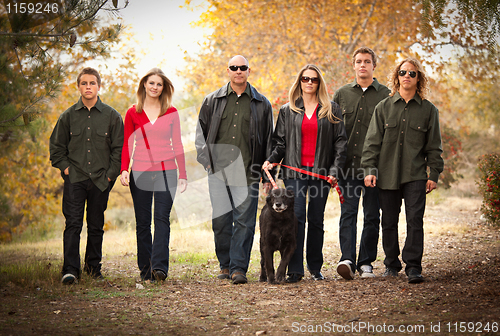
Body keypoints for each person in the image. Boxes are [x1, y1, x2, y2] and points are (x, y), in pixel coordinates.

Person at [362, 57, 444, 284]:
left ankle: (414, 267)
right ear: (396, 77)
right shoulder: (383, 107)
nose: (406, 76)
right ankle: (391, 264)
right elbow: (371, 143)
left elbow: (434, 147)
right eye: (402, 72)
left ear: (419, 79)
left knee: (415, 220)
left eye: (412, 73)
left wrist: (434, 174)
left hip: (415, 175)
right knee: (388, 221)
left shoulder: (429, 110)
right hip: (386, 174)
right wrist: (370, 169)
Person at [263, 64, 347, 283]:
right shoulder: (287, 110)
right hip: (293, 173)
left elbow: (340, 143)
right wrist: (271, 160)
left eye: (314, 79)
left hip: (321, 174)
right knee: (296, 219)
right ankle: (295, 270)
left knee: (316, 220)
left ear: (320, 83)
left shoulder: (332, 109)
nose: (309, 82)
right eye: (305, 79)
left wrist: (334, 170)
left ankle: (315, 267)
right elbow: (280, 143)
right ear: (299, 82)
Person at [195, 55, 274, 284]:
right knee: (221, 221)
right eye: (234, 68)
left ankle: (239, 268)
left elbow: (269, 139)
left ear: (249, 71)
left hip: (248, 172)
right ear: (228, 71)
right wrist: (206, 161)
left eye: (242, 68)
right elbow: (200, 133)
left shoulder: (262, 103)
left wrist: (268, 175)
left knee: (244, 222)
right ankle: (225, 264)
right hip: (218, 171)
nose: (238, 71)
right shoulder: (212, 100)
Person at [50, 67, 124, 284]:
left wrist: (110, 176)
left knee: (95, 225)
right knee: (73, 224)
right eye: (84, 83)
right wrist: (66, 169)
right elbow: (56, 148)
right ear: (79, 86)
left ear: (99, 86)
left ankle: (93, 269)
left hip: (101, 180)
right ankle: (70, 270)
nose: (88, 87)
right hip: (75, 179)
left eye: (92, 83)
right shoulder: (68, 116)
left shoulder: (112, 116)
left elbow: (118, 149)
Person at [120, 68, 187, 282]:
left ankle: (160, 268)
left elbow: (177, 144)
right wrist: (124, 169)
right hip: (140, 171)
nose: (154, 87)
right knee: (142, 222)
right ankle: (145, 269)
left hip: (167, 171)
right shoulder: (132, 112)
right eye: (151, 83)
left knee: (161, 219)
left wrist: (183, 173)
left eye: (159, 84)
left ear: (163, 88)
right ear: (144, 85)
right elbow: (126, 143)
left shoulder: (171, 112)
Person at [333, 47, 391, 280]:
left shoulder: (386, 95)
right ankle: (347, 258)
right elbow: (333, 131)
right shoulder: (342, 94)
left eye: (367, 61)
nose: (363, 65)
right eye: (359, 61)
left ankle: (366, 262)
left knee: (371, 216)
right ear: (353, 65)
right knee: (348, 214)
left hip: (374, 169)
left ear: (374, 66)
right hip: (347, 167)